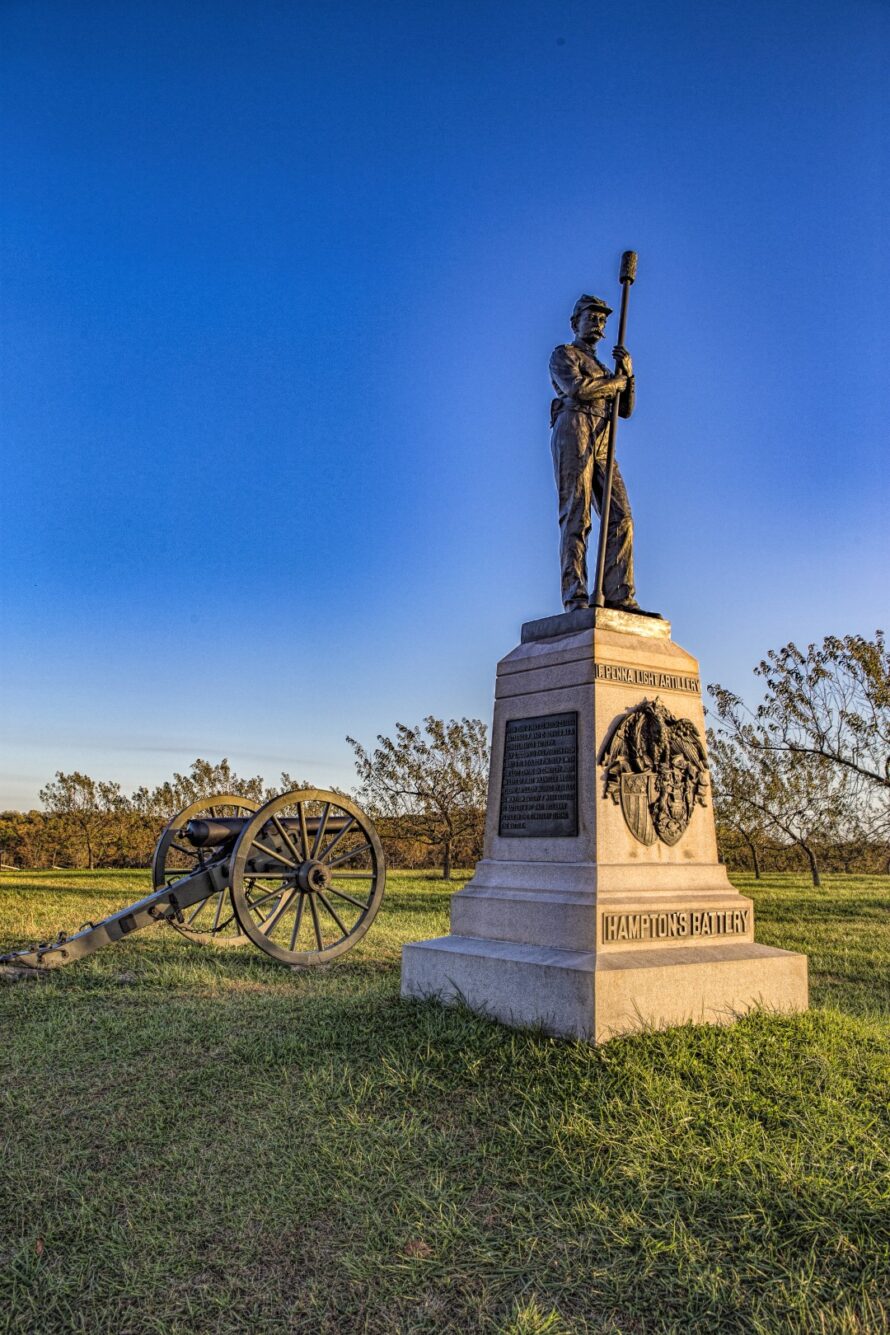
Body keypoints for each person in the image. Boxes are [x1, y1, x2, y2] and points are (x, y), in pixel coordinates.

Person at [549, 293, 650, 614]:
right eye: (591, 317)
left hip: (604, 436)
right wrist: (615, 383)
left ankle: (619, 594)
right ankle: (575, 596)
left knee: (621, 516)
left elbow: (626, 411)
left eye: (603, 319)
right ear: (575, 322)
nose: (598, 323)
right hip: (575, 427)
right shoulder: (564, 354)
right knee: (577, 514)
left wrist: (628, 375)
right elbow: (577, 389)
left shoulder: (607, 368)